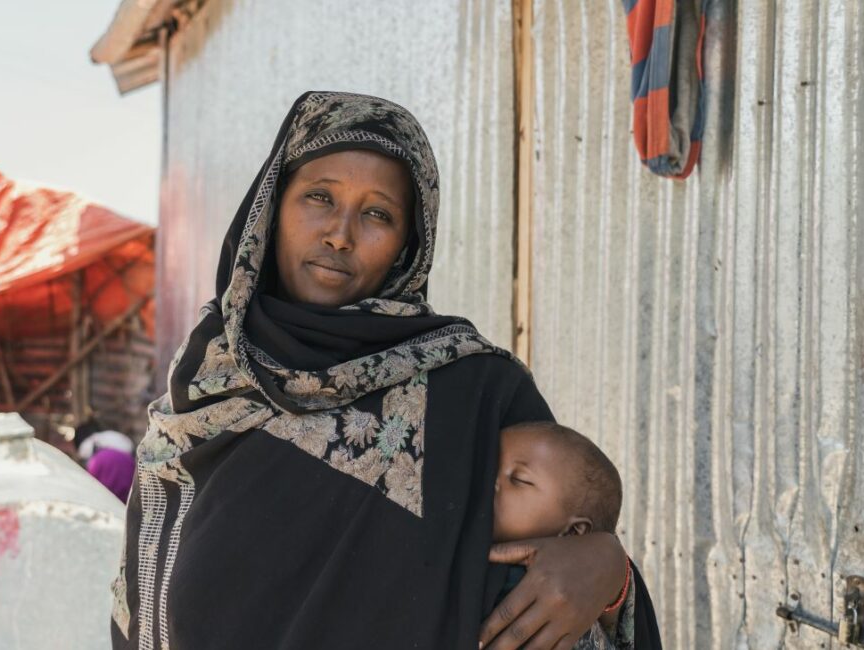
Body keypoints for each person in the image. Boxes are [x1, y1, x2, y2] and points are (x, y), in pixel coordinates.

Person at [110, 91, 660, 649]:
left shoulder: (476, 389)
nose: (340, 234)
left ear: (407, 244)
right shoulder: (206, 380)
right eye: (318, 197)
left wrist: (609, 571)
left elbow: (563, 552)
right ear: (272, 210)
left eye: (378, 213)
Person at [492, 422, 629, 648]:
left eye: (519, 479)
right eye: (490, 467)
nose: (492, 480)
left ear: (573, 533)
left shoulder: (560, 606)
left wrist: (610, 559)